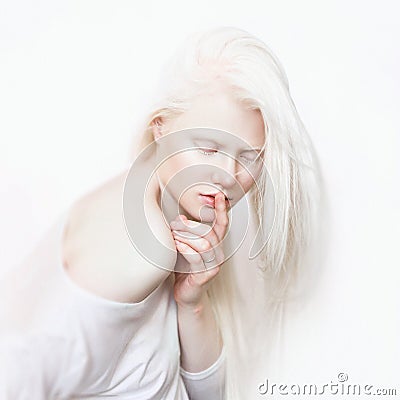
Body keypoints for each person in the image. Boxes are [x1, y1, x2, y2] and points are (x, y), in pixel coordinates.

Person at [0, 26, 323, 399]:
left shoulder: (168, 214)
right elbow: (18, 369)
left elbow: (209, 394)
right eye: (208, 148)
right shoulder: (145, 246)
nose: (228, 177)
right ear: (160, 127)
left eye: (248, 157)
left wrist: (191, 300)